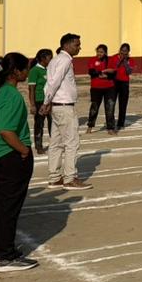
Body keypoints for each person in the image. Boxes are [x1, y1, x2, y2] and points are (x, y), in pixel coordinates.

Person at [0, 52, 39, 272]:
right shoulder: (11, 95)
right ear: (16, 72)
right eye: (25, 68)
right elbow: (6, 130)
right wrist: (23, 150)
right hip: (9, 156)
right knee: (8, 207)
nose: (27, 72)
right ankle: (6, 256)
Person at [41, 33, 92, 190]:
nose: (79, 48)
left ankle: (55, 177)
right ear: (66, 45)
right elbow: (54, 82)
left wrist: (48, 101)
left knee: (55, 143)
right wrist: (46, 102)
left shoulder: (54, 60)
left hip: (57, 106)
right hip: (64, 106)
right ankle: (70, 178)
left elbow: (48, 83)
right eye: (76, 45)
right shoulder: (64, 60)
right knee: (71, 143)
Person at [86, 43, 117, 134]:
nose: (99, 54)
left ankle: (110, 127)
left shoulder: (110, 60)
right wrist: (103, 72)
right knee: (94, 107)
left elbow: (114, 73)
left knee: (110, 107)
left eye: (101, 52)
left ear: (105, 53)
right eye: (98, 51)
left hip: (109, 87)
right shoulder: (92, 60)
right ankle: (90, 126)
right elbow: (92, 72)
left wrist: (106, 75)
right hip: (96, 87)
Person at [27, 48, 53, 154]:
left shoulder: (49, 69)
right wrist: (32, 104)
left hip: (50, 100)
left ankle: (55, 144)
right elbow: (31, 89)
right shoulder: (34, 71)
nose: (51, 60)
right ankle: (38, 146)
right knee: (39, 123)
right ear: (43, 58)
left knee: (53, 123)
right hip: (39, 100)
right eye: (49, 58)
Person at [109, 43, 134, 131]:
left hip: (124, 83)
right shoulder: (113, 58)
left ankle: (121, 123)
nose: (123, 53)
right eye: (122, 50)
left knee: (123, 104)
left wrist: (125, 61)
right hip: (114, 82)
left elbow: (129, 72)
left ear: (128, 52)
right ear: (119, 50)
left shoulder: (130, 60)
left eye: (125, 51)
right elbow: (112, 69)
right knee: (111, 103)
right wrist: (120, 61)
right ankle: (111, 123)